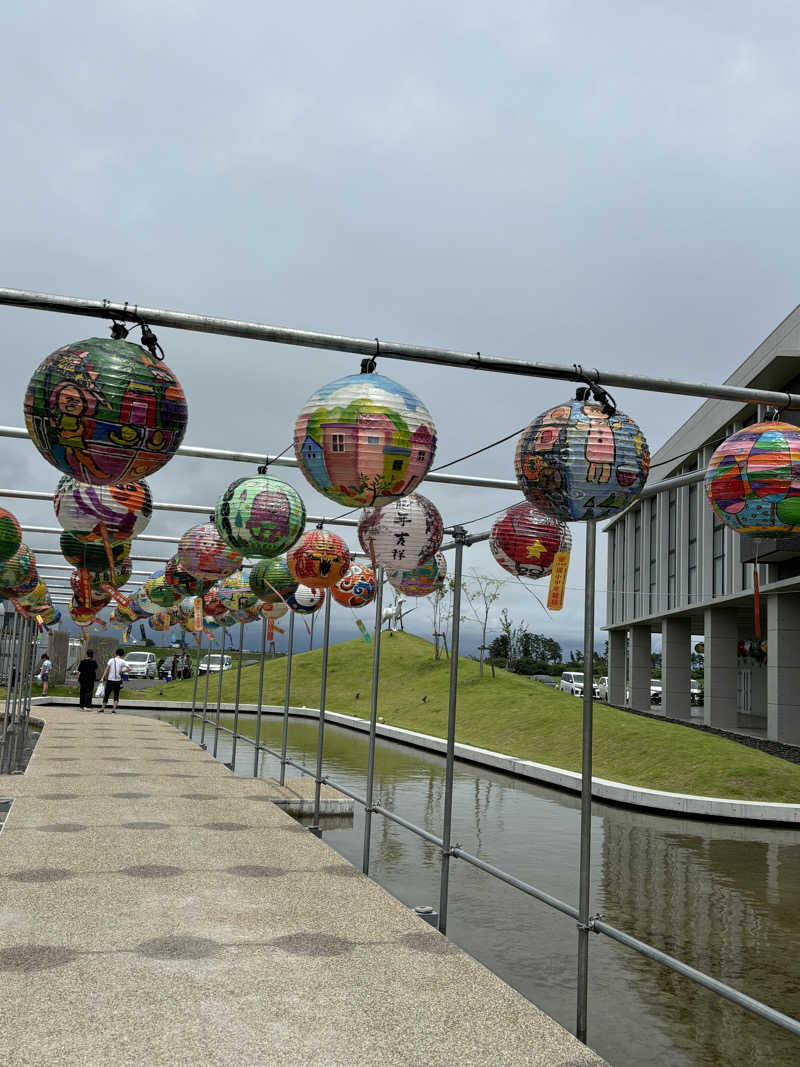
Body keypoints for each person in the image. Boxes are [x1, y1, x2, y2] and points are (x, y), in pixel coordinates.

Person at [100, 648, 127, 714]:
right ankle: (114, 710)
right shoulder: (123, 661)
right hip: (118, 681)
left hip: (110, 680)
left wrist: (102, 678)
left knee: (106, 695)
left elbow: (106, 669)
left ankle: (102, 708)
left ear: (116, 653)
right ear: (122, 654)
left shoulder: (111, 660)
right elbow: (129, 668)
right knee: (116, 695)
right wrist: (122, 671)